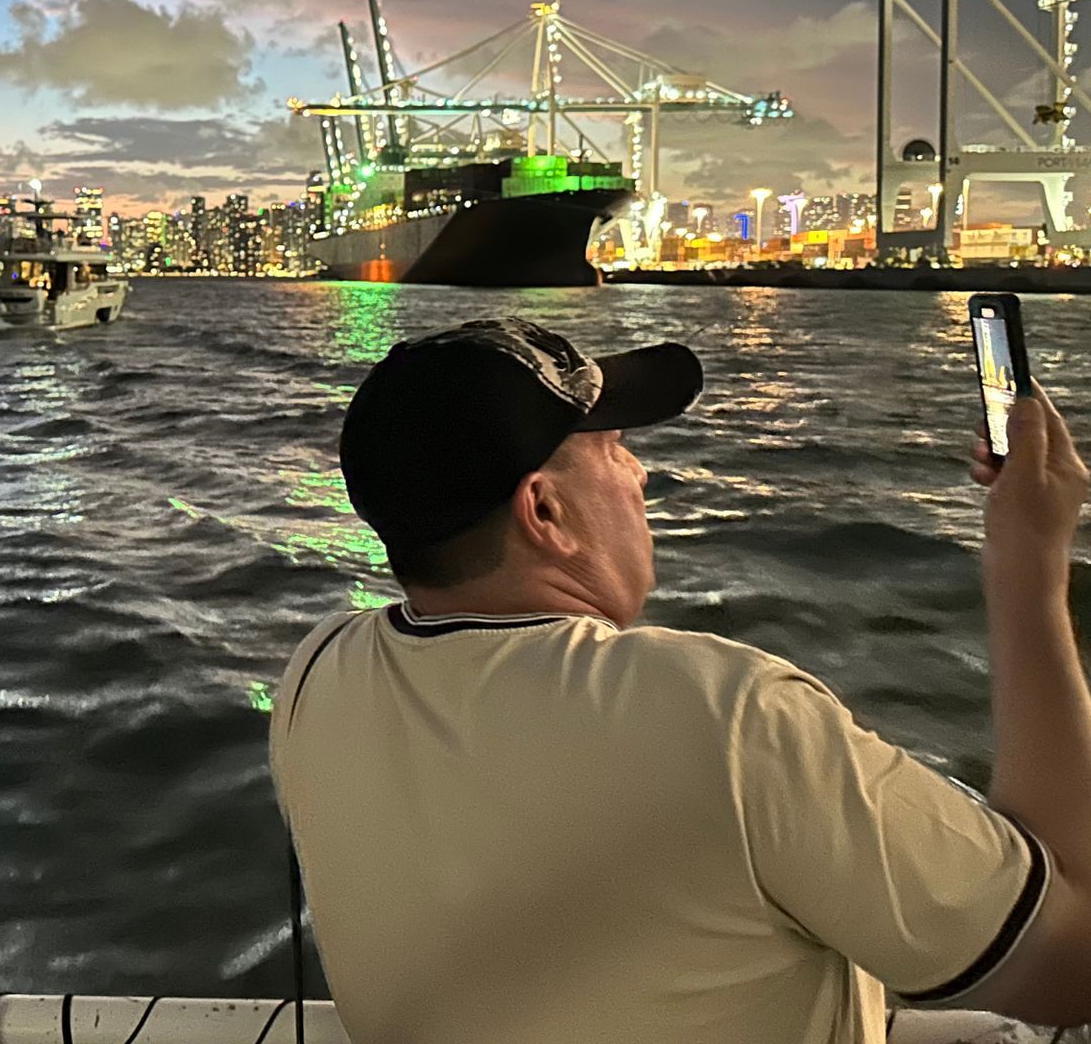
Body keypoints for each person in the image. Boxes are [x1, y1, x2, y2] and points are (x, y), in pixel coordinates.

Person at [271, 316, 1091, 1044]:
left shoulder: (314, 675)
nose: (640, 476)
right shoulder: (727, 714)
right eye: (615, 448)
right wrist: (1029, 563)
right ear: (545, 512)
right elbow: (1070, 965)